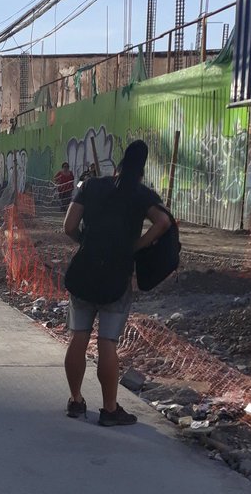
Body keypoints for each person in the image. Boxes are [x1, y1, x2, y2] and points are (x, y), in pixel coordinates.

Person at [63, 139, 172, 426]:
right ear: (142, 169)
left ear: (119, 164)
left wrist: (86, 243)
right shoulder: (141, 194)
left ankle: (75, 401)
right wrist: (135, 247)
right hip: (116, 276)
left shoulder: (91, 186)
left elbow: (69, 226)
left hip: (84, 271)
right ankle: (110, 410)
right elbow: (163, 222)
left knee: (78, 336)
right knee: (107, 342)